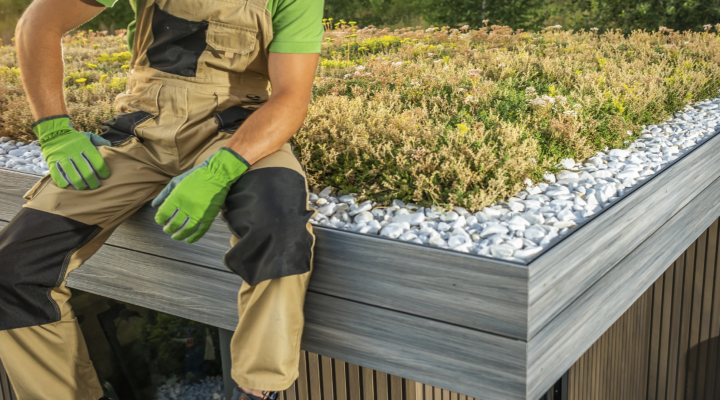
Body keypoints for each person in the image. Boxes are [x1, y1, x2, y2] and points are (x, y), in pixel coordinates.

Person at [0, 0, 323, 398]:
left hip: (238, 130)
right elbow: (39, 23)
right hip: (142, 130)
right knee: (13, 271)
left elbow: (291, 95)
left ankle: (258, 390)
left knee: (280, 229)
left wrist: (221, 170)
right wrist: (54, 130)